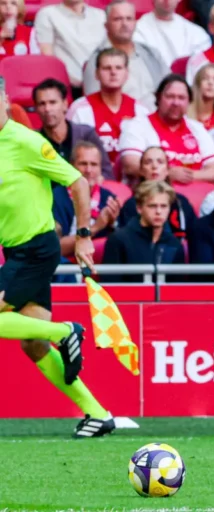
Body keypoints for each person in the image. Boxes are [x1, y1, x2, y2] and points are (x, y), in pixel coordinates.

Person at [0, 75, 117, 438]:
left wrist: (83, 236)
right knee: (34, 345)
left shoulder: (26, 141)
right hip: (15, 250)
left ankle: (66, 331)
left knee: (37, 333)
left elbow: (78, 182)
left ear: (5, 99)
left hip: (36, 249)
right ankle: (98, 414)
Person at [67, 48, 150, 168]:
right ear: (96, 74)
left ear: (127, 73)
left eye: (118, 68)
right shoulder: (79, 110)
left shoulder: (141, 110)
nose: (113, 72)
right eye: (107, 68)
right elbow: (72, 153)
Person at [102, 180, 186, 282]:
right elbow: (111, 286)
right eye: (152, 206)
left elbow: (179, 289)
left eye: (163, 206)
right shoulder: (118, 240)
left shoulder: (174, 244)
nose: (158, 212)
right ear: (139, 208)